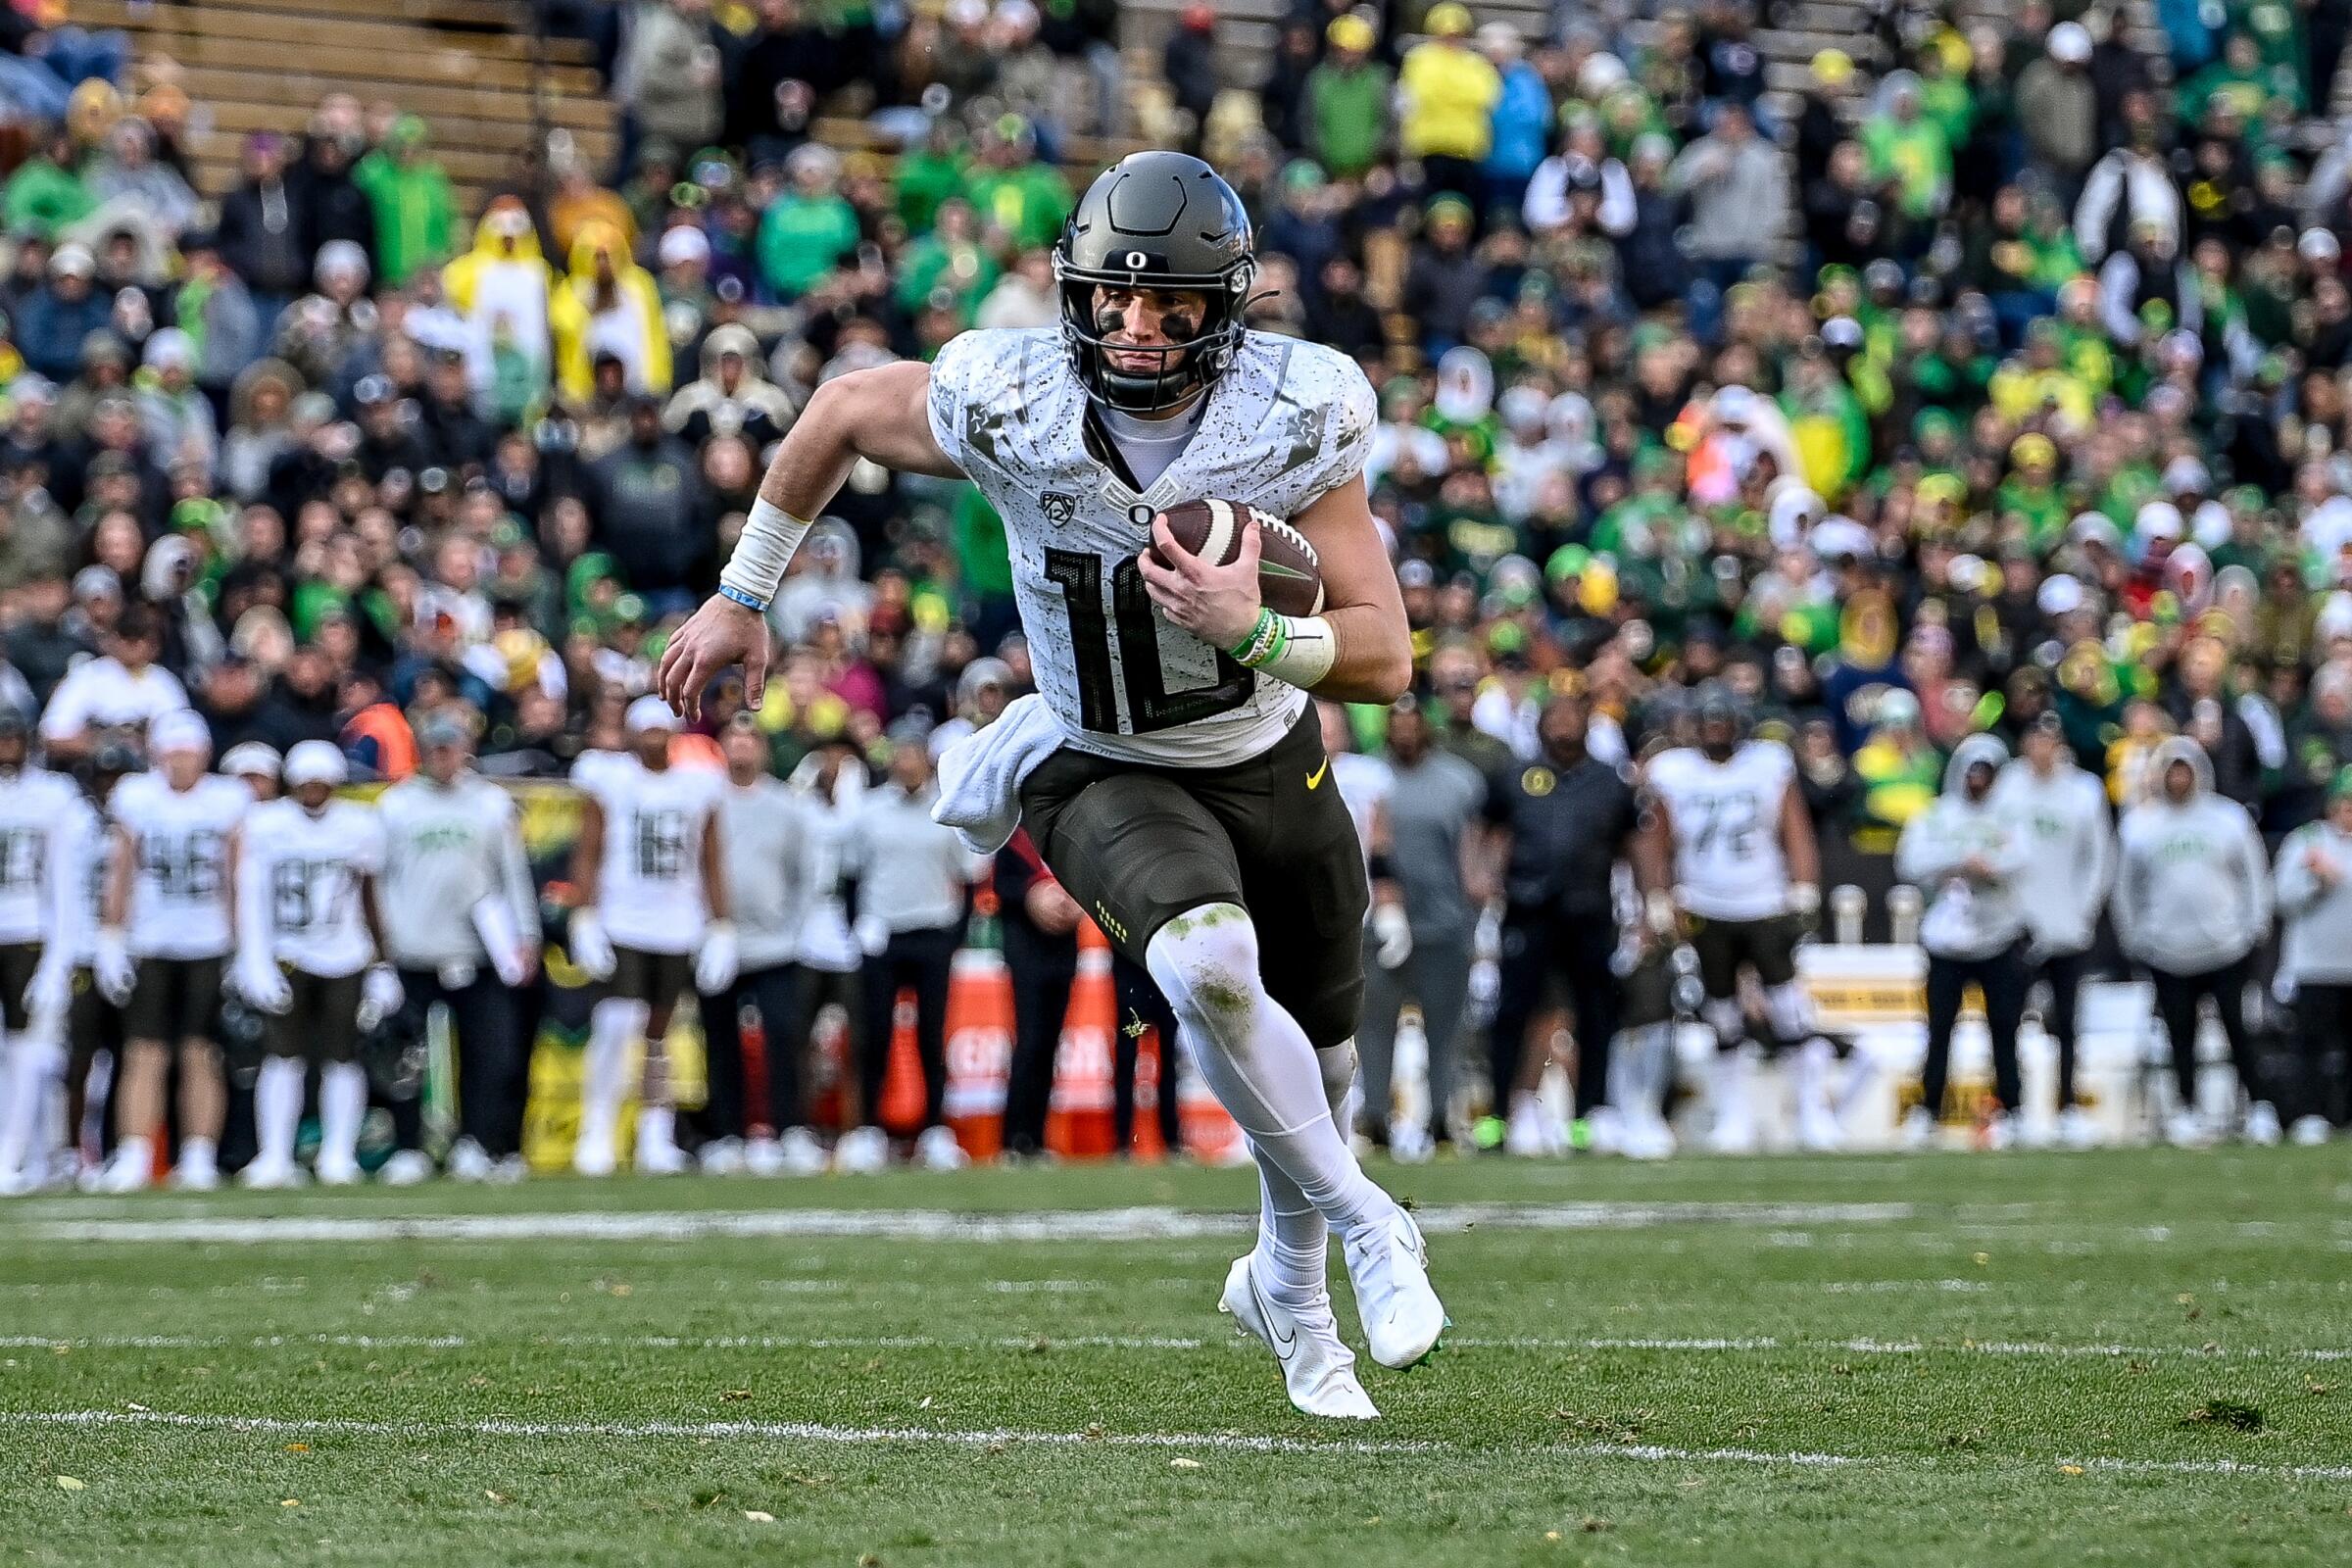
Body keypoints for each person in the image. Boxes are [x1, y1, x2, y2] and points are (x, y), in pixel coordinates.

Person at [656, 150, 1442, 1422]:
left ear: (1223, 309)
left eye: (1170, 305)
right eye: (1113, 299)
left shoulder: (1294, 414)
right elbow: (847, 407)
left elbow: (1386, 657)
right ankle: (1368, 1223)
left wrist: (1252, 627)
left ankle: (1289, 1293)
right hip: (1096, 756)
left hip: (1266, 754)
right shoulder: (1008, 395)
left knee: (1328, 1065)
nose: (1135, 328)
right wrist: (745, 594)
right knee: (1203, 966)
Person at [1642, 684, 1846, 1152]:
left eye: (1723, 722)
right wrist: (1658, 895)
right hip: (1704, 903)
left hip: (1764, 901)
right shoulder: (1673, 771)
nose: (1716, 731)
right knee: (1722, 1014)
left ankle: (1812, 1112)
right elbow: (1659, 836)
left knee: (1791, 1010)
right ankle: (1733, 1115)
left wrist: (1803, 887)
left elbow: (1794, 825)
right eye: (1708, 723)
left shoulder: (1767, 763)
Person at [566, 696, 735, 1176]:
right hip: (623, 919)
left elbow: (711, 858)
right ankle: (597, 1131)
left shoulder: (697, 786)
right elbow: (589, 849)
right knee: (617, 1025)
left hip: (677, 922)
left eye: (661, 731)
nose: (653, 739)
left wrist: (720, 923)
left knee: (661, 1034)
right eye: (645, 730)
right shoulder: (611, 779)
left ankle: (655, 1133)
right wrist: (585, 913)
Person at [1479, 690, 1646, 1156]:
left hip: (1589, 910)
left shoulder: (1610, 781)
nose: (1563, 725)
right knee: (1511, 1011)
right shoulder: (1515, 776)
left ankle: (1588, 1114)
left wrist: (1650, 904)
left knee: (1596, 1013)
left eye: (1573, 715)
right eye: (1554, 715)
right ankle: (1499, 1114)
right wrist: (1482, 879)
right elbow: (1486, 829)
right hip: (1528, 907)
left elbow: (1635, 844)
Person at [375, 710, 539, 1182]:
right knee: (405, 1058)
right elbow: (381, 881)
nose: (442, 755)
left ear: (465, 748)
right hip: (414, 949)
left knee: (489, 1055)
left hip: (477, 951)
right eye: (433, 747)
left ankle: (477, 1142)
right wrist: (382, 952)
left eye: (450, 746)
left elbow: (514, 875)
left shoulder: (492, 804)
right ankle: (410, 1146)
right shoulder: (396, 805)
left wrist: (525, 936)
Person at [231, 741, 402, 1187]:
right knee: (281, 1055)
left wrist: (383, 964)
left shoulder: (359, 824)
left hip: (344, 952)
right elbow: (251, 895)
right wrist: (254, 959)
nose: (313, 792)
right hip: (287, 952)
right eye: (306, 783)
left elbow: (371, 897)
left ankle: (338, 1154)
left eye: (321, 783)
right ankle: (274, 1155)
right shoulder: (266, 824)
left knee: (343, 1057)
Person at [93, 710, 247, 1192]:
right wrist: (111, 935)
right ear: (158, 755)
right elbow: (121, 868)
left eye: (189, 752)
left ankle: (199, 1154)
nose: (181, 762)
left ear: (204, 754)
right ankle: (135, 1152)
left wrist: (245, 946)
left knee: (201, 1053)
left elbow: (237, 875)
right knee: (144, 1053)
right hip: (151, 942)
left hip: (207, 942)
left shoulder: (227, 799)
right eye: (173, 752)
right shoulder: (137, 797)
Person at [2114, 737, 2278, 1147]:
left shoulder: (2229, 819)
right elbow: (2125, 889)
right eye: (2172, 770)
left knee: (2237, 1031)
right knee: (2179, 1034)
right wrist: (2135, 937)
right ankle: (2186, 1108)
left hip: (2225, 947)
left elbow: (2254, 876)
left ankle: (2259, 1107)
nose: (2179, 778)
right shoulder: (2140, 825)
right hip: (2166, 950)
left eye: (2185, 769)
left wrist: (2254, 925)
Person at [837, 725, 985, 1173]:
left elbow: (969, 878)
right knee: (874, 1034)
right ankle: (868, 1131)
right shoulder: (869, 809)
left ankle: (936, 1129)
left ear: (928, 758)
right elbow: (849, 876)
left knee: (931, 1034)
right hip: (881, 934)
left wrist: (954, 937)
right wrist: (857, 927)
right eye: (900, 754)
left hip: (933, 930)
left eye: (914, 753)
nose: (906, 762)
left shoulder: (948, 809)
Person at [699, 714, 824, 1176]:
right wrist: (707, 927)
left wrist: (795, 927)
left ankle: (790, 1129)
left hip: (775, 943)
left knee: (784, 1038)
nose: (741, 746)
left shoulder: (784, 805)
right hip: (718, 942)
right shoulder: (705, 800)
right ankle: (726, 1134)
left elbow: (804, 873)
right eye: (733, 738)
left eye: (750, 738)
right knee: (720, 1040)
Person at [1895, 734, 2033, 1151]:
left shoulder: (2011, 816)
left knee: (2005, 1028)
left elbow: (2022, 859)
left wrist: (1985, 867)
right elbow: (1910, 861)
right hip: (1946, 941)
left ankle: (2013, 1109)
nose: (1977, 780)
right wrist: (1960, 862)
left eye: (1986, 773)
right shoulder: (1937, 816)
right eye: (1972, 771)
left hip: (1999, 935)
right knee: (1938, 1030)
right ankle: (1928, 1109)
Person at [1990, 711, 2115, 1147]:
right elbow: (1993, 846)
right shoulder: (2006, 785)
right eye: (2035, 739)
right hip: (2015, 925)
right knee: (2006, 1019)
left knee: (2067, 1020)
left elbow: (2099, 857)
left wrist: (2083, 911)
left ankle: (2067, 1106)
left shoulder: (2084, 790)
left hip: (2067, 924)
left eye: (2050, 739)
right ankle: (2012, 1107)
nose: (2042, 748)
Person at [0, 707, 87, 1192]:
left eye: (12, 738)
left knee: (29, 1053)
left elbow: (64, 883)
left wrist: (59, 958)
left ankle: (15, 1154)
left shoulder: (52, 795)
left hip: (29, 932)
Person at [2272, 767, 2352, 1145]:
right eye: (2345, 803)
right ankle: (2309, 1114)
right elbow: (2283, 898)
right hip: (2314, 965)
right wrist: (2314, 882)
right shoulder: (2306, 841)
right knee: (2310, 1047)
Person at [997, 822, 1080, 1162]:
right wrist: (1033, 896)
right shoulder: (1012, 838)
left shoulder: (1069, 837)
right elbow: (1000, 887)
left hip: (1062, 951)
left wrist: (1076, 902)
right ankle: (1014, 1137)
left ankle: (1038, 1137)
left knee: (1050, 1045)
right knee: (1029, 1041)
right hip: (1026, 950)